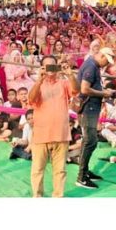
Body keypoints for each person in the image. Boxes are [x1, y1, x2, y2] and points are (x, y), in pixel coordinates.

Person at [28, 56, 79, 197]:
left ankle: (58, 197)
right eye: (47, 66)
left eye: (52, 66)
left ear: (57, 67)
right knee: (37, 169)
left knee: (60, 170)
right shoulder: (37, 84)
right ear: (42, 68)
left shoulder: (64, 83)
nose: (50, 69)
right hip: (41, 135)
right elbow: (31, 99)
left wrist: (70, 75)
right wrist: (39, 80)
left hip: (61, 134)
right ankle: (37, 197)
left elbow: (76, 90)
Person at [76, 47, 116, 189]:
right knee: (90, 141)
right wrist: (103, 93)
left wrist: (104, 92)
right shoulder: (91, 66)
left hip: (91, 107)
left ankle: (85, 172)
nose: (106, 64)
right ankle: (81, 176)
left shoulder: (93, 65)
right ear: (102, 55)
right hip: (88, 108)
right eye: (106, 60)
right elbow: (84, 89)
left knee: (90, 140)